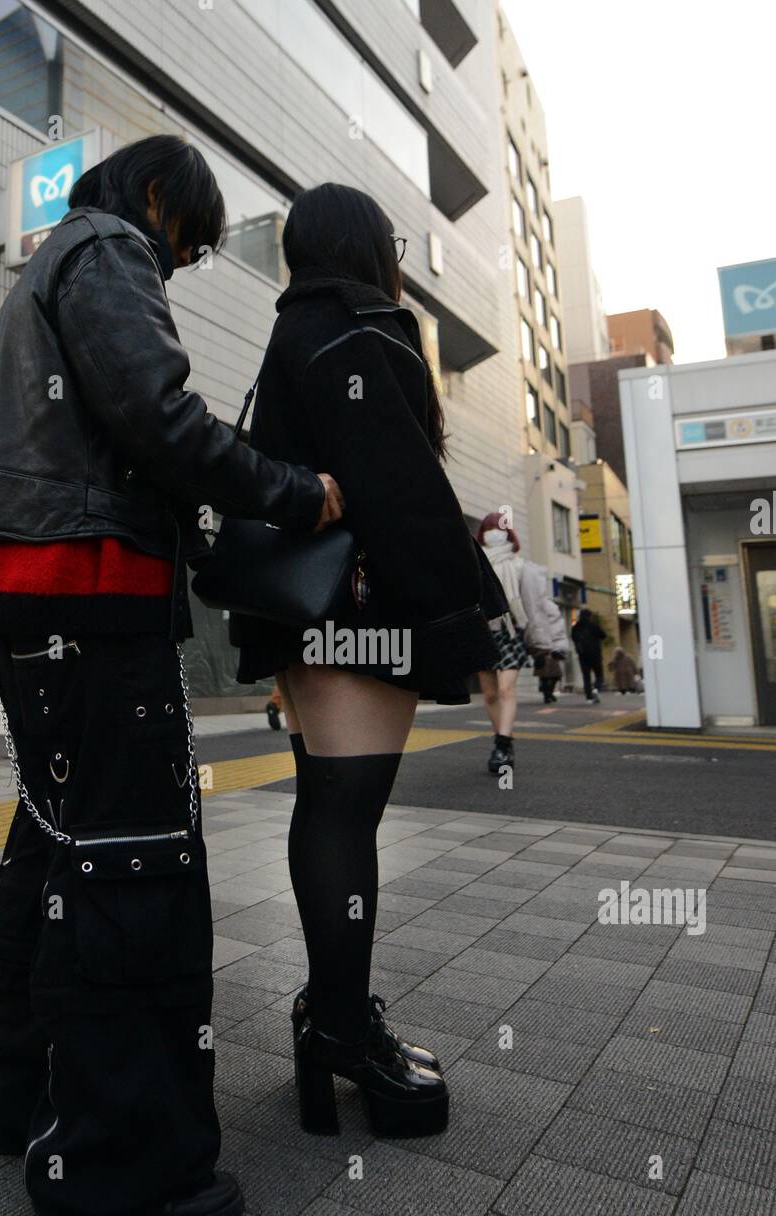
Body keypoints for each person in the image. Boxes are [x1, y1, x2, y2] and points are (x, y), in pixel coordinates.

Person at [0, 135, 343, 1216]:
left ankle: (21, 1089)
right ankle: (122, 1161)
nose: (178, 266)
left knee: (53, 840)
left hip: (33, 599)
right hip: (94, 596)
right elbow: (160, 418)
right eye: (190, 241)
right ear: (160, 195)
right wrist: (289, 491)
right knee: (135, 859)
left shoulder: (42, 272)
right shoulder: (110, 249)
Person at [230, 183, 497, 1138]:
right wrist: (464, 605)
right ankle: (339, 1029)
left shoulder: (289, 334)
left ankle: (330, 1019)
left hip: (308, 612)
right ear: (367, 248)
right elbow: (397, 480)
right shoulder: (366, 328)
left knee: (326, 804)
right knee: (347, 812)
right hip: (365, 610)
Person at [475, 516, 530, 774]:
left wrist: (546, 642)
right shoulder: (475, 562)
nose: (493, 533)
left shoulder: (519, 566)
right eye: (488, 529)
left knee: (506, 689)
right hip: (483, 631)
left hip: (510, 632)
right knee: (489, 693)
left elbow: (535, 607)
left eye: (499, 529)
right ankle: (502, 740)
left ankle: (502, 744)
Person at [521, 563, 569, 705]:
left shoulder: (535, 602)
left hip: (541, 646)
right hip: (549, 646)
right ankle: (548, 694)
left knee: (546, 674)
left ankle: (546, 693)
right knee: (552, 674)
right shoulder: (548, 605)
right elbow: (556, 625)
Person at [572, 607, 606, 703]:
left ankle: (589, 698)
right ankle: (596, 688)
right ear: (589, 616)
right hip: (595, 654)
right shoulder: (593, 626)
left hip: (582, 655)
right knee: (599, 674)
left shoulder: (576, 627)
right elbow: (603, 635)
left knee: (586, 676)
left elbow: (573, 638)